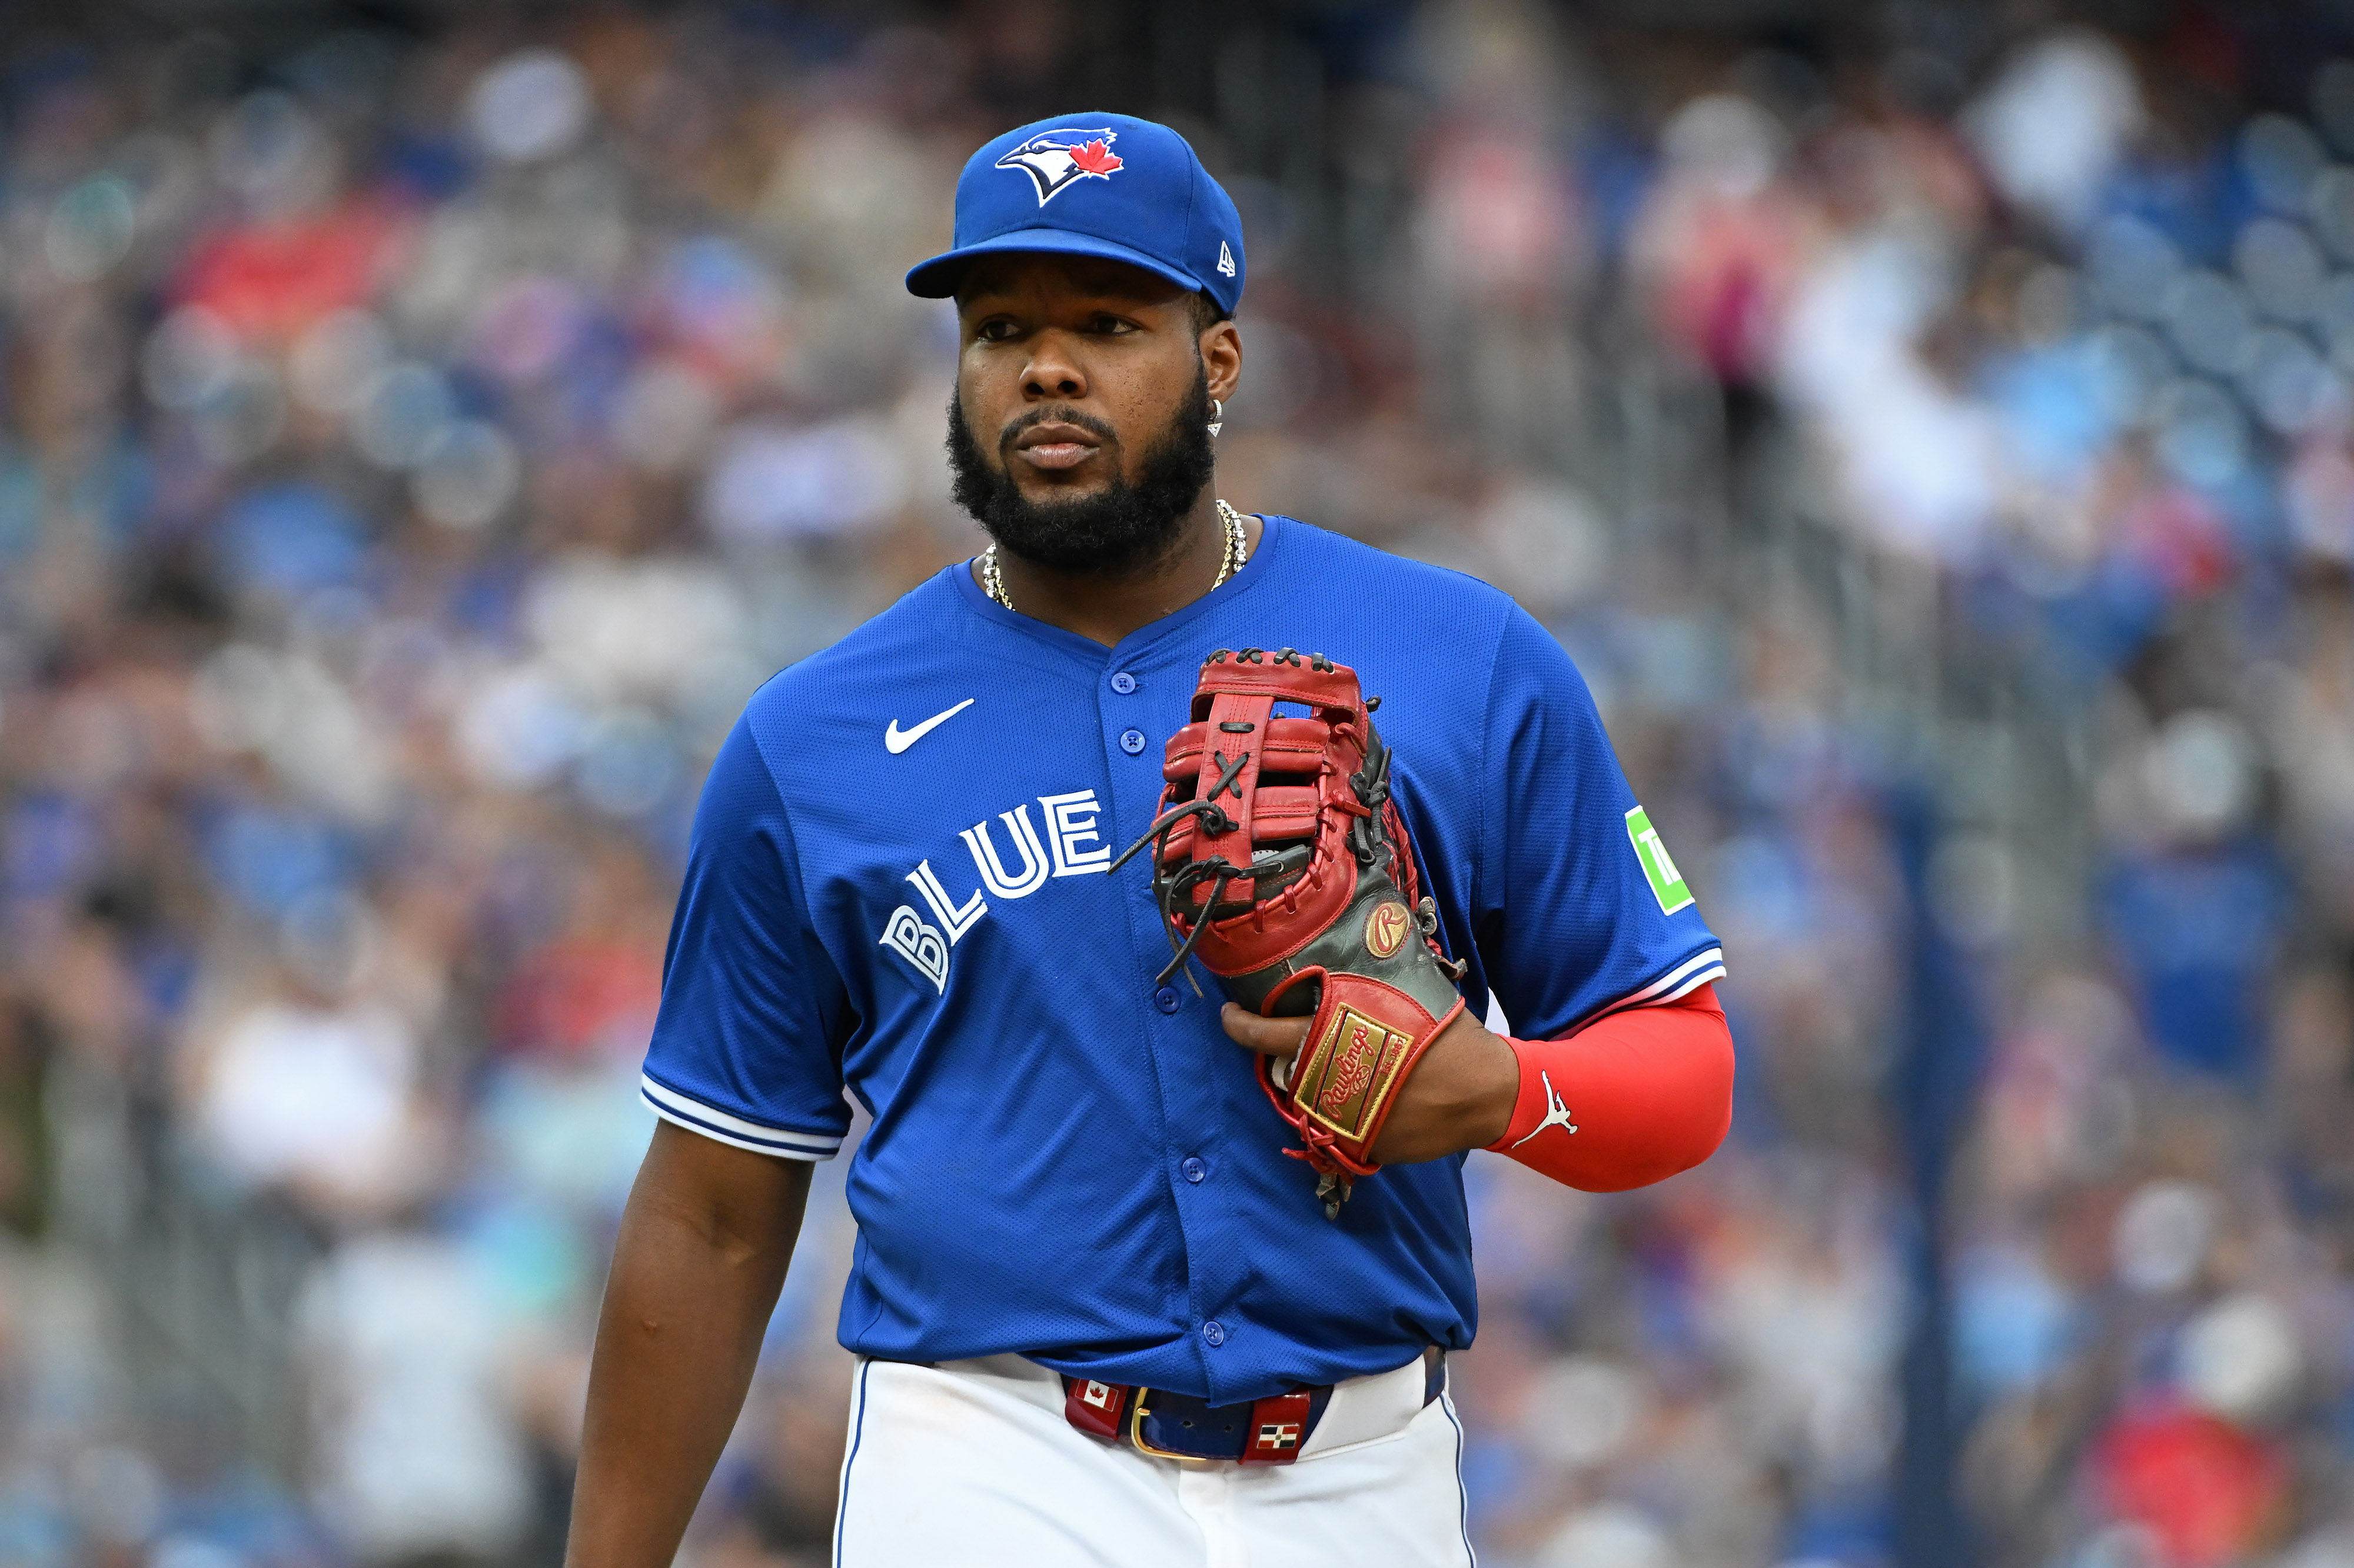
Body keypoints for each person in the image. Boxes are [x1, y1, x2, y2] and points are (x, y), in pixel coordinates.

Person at [564, 112, 1737, 1567]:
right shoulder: (814, 740)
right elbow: (714, 1211)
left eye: (1108, 322)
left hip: (1359, 1471)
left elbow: (1682, 1073)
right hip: (988, 1460)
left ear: (1218, 361)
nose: (1043, 366)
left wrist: (1491, 1088)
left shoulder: (1458, 659)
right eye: (999, 330)